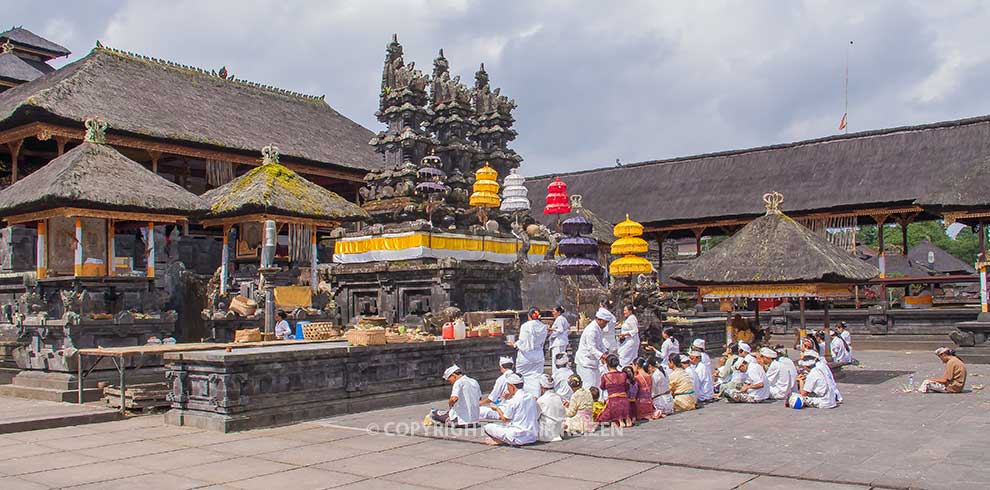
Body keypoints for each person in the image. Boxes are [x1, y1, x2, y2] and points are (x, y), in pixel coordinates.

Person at [483, 372, 540, 446]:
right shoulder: (531, 396)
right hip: (532, 436)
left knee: (488, 427)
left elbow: (505, 419)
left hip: (517, 437)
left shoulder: (513, 400)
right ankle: (502, 440)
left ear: (512, 386)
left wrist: (497, 409)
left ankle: (501, 441)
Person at [511, 307, 548, 396]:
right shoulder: (543, 327)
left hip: (526, 356)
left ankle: (523, 397)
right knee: (536, 376)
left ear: (529, 316)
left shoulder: (526, 326)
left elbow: (523, 343)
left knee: (521, 377)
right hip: (538, 354)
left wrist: (514, 344)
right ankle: (536, 396)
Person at [576, 309, 610, 389]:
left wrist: (605, 352)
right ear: (599, 320)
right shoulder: (592, 330)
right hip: (586, 362)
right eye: (605, 322)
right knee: (589, 386)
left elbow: (600, 343)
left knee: (596, 385)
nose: (605, 325)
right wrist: (602, 356)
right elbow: (591, 348)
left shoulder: (598, 329)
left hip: (593, 362)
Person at [597, 355, 631, 428]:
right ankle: (626, 419)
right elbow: (627, 387)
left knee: (600, 418)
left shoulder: (605, 376)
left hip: (613, 402)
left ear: (607, 365)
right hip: (624, 401)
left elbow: (602, 387)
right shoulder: (623, 374)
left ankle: (619, 421)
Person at [480, 356, 515, 420]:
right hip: (516, 410)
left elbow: (491, 398)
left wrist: (479, 404)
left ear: (501, 366)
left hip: (503, 411)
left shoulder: (501, 379)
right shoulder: (519, 376)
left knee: (480, 410)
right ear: (513, 366)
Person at [537, 374, 566, 442]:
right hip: (559, 432)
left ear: (542, 387)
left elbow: (535, 417)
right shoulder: (559, 397)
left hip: (546, 434)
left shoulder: (541, 400)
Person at [548, 306, 571, 376]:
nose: (553, 313)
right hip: (562, 341)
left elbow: (560, 330)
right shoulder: (563, 319)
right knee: (562, 358)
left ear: (559, 312)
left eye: (554, 311)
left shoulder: (559, 319)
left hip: (558, 342)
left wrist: (551, 329)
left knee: (556, 359)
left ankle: (556, 375)